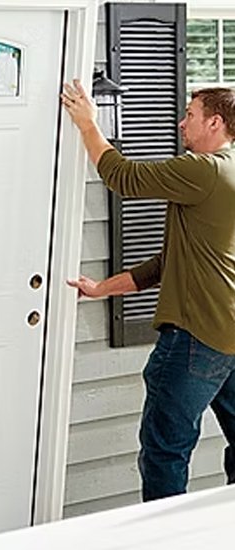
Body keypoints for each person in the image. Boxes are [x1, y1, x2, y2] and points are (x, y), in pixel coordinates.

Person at [62, 80, 235, 502]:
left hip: (197, 335)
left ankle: (163, 533)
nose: (181, 124)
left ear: (215, 123)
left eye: (190, 116)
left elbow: (123, 176)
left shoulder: (205, 170)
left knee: (164, 453)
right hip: (229, 335)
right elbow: (168, 262)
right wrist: (103, 288)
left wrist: (88, 123)